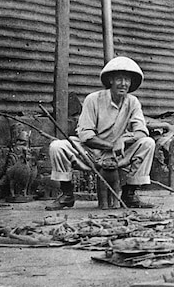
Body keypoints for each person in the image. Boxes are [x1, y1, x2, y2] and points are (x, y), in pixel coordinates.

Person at [45, 56, 156, 210]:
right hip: (91, 152)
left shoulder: (133, 102)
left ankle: (129, 194)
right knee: (57, 146)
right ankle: (67, 194)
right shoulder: (93, 99)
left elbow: (141, 132)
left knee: (148, 143)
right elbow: (86, 135)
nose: (123, 83)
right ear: (110, 80)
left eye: (127, 80)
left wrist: (123, 140)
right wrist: (111, 145)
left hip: (119, 154)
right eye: (119, 79)